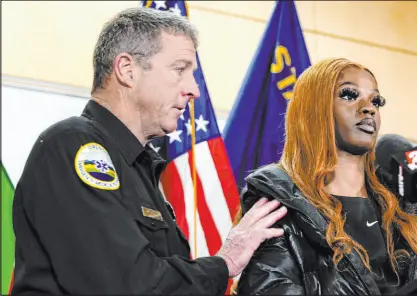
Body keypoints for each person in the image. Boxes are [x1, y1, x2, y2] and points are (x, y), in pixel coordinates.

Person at [11, 7, 287, 295]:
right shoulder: (74, 146)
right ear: (127, 70)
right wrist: (224, 263)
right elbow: (127, 284)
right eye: (180, 69)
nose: (194, 89)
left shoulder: (139, 166)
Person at [233, 58, 417, 295]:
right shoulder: (279, 199)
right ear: (314, 108)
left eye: (376, 101)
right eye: (349, 95)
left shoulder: (406, 201)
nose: (368, 108)